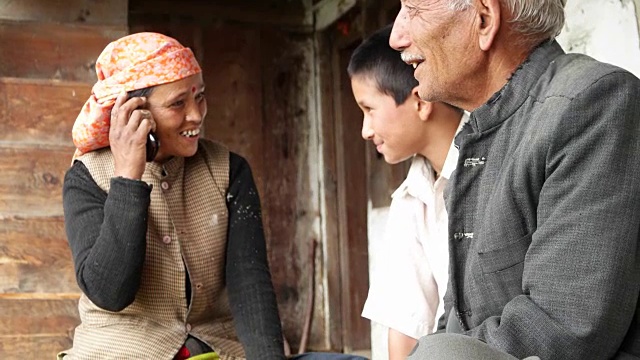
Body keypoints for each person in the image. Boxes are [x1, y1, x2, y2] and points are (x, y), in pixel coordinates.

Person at [60, 32, 368, 360]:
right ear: (135, 112)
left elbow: (249, 284)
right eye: (178, 103)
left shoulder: (229, 170)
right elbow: (109, 291)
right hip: (119, 352)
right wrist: (127, 179)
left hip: (217, 350)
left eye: (200, 97)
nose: (196, 115)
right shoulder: (87, 176)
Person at [389, 1, 640, 359]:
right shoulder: (479, 134)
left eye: (413, 9)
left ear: (485, 19)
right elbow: (457, 316)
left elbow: (564, 328)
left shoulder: (591, 102)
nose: (397, 37)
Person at [347, 24, 466, 360]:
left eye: (369, 110)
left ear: (420, 102)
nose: (365, 130)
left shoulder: (494, 164)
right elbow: (404, 330)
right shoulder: (411, 198)